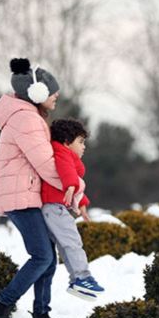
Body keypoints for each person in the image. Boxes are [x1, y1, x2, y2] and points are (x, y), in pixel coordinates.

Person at [0, 58, 74, 318]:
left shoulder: (27, 116)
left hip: (25, 195)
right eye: (52, 92)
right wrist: (73, 186)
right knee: (42, 256)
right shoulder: (26, 120)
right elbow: (46, 165)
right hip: (20, 198)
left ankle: (41, 316)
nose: (56, 96)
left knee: (47, 255)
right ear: (37, 94)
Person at [41, 119, 105, 301]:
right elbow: (67, 172)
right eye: (81, 142)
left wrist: (82, 203)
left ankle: (77, 280)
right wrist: (70, 186)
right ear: (67, 142)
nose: (84, 147)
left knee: (67, 244)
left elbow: (75, 181)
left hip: (54, 207)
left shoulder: (64, 153)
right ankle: (82, 277)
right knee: (72, 241)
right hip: (54, 207)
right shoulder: (62, 152)